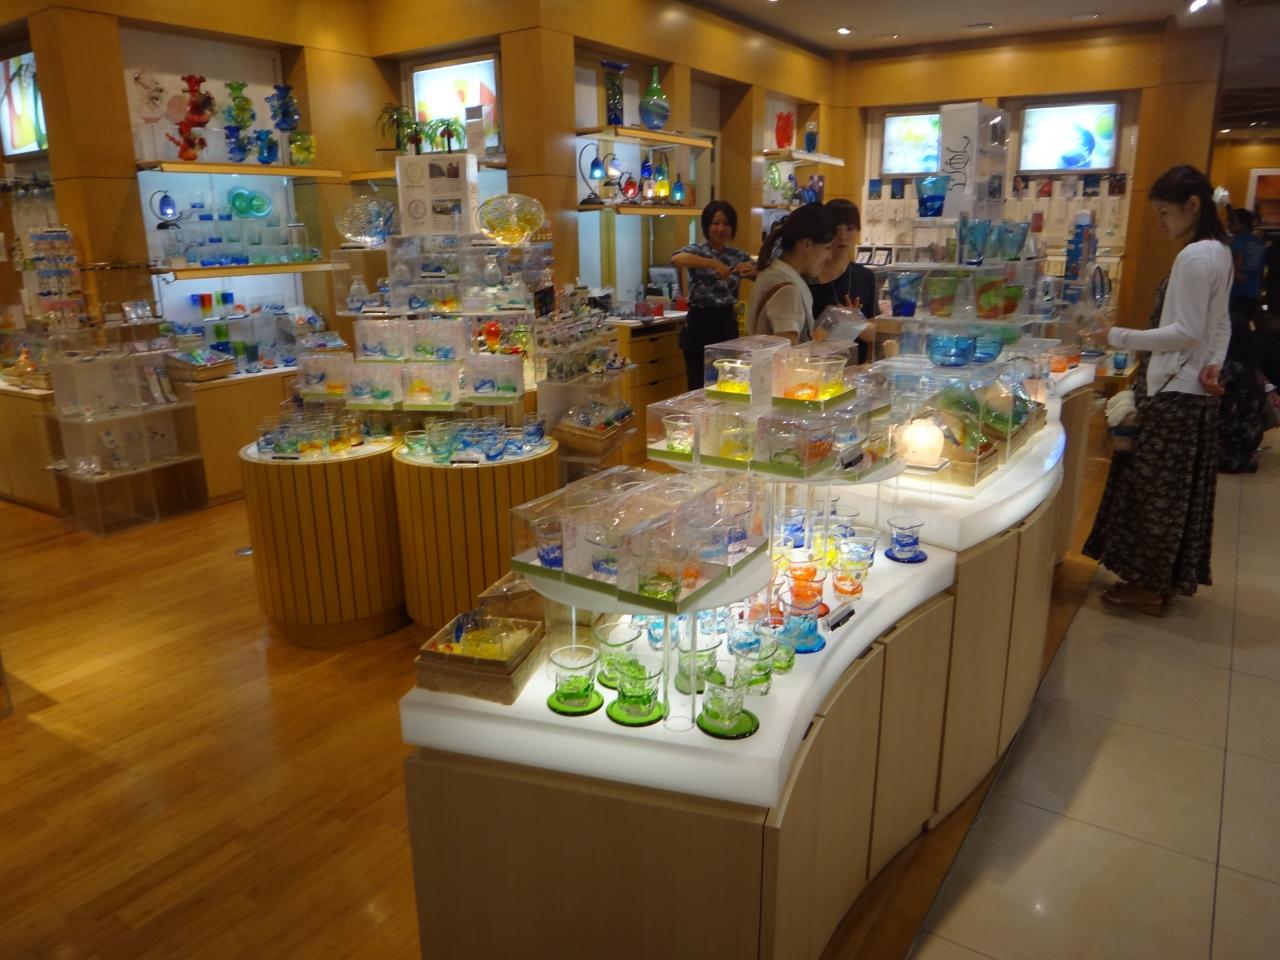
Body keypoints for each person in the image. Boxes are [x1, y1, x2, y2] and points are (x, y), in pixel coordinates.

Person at [1084, 164, 1232, 615]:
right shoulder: (1219, 251)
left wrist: (1116, 336)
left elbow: (1186, 330)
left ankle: (1147, 587)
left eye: (1165, 213)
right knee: (1173, 494)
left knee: (1152, 494)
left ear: (1193, 206)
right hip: (1192, 389)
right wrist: (1213, 365)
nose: (1162, 224)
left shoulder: (1194, 257)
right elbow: (1218, 325)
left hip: (1171, 391)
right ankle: (1158, 581)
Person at [671, 201, 757, 389]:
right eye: (715, 223)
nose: (721, 228)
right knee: (697, 385)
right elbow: (677, 258)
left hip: (726, 322)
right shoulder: (698, 250)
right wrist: (713, 264)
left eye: (726, 223)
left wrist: (753, 271)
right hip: (699, 323)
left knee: (727, 382)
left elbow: (760, 274)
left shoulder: (738, 255)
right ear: (707, 226)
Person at [745, 204, 837, 344]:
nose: (830, 257)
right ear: (806, 244)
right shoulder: (787, 289)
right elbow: (789, 351)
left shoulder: (773, 274)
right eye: (827, 248)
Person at [808, 198, 878, 363]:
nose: (842, 236)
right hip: (814, 368)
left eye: (850, 229)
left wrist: (854, 323)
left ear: (858, 231)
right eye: (835, 229)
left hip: (854, 370)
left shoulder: (866, 277)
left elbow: (875, 334)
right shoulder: (808, 276)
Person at [1217, 315, 1270, 473]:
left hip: (1234, 433)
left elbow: (1222, 406)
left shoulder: (1230, 368)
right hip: (1253, 432)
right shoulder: (1252, 365)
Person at [1228, 208, 1266, 321]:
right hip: (1252, 293)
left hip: (1235, 292)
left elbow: (1237, 257)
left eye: (1231, 220)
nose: (1228, 224)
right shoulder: (1259, 242)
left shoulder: (1235, 240)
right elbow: (1261, 270)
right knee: (1244, 324)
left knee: (1231, 326)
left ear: (1242, 224)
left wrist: (1237, 274)